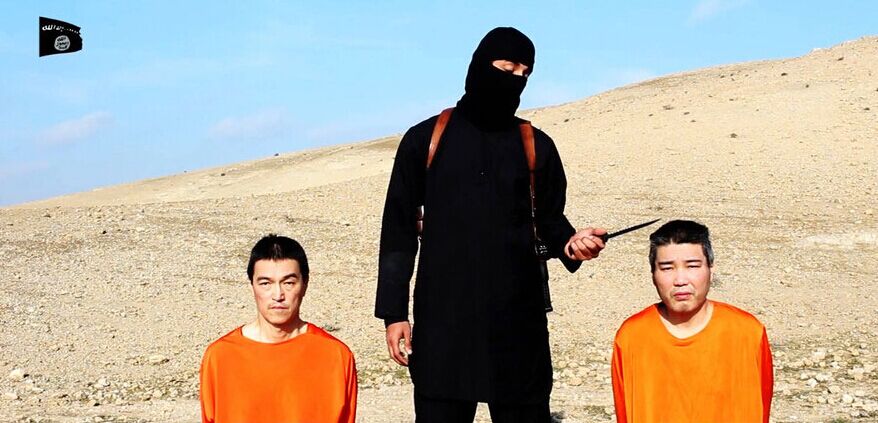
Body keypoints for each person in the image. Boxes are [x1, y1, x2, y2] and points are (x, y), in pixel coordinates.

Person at [376, 27, 606, 422]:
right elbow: (398, 233)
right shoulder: (425, 140)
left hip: (518, 328)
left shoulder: (536, 145)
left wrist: (572, 243)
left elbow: (550, 220)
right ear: (480, 65)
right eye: (506, 67)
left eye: (524, 73)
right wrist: (394, 313)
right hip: (443, 326)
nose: (515, 79)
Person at [611, 220, 773, 423]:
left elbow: (761, 409)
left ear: (711, 270)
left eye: (692, 266)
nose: (680, 280)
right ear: (653, 274)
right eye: (667, 268)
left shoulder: (747, 332)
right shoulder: (633, 336)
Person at [199, 235, 357, 423]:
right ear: (252, 286)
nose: (278, 295)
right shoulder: (220, 357)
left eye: (288, 283)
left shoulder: (336, 356)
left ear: (304, 285)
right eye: (265, 283)